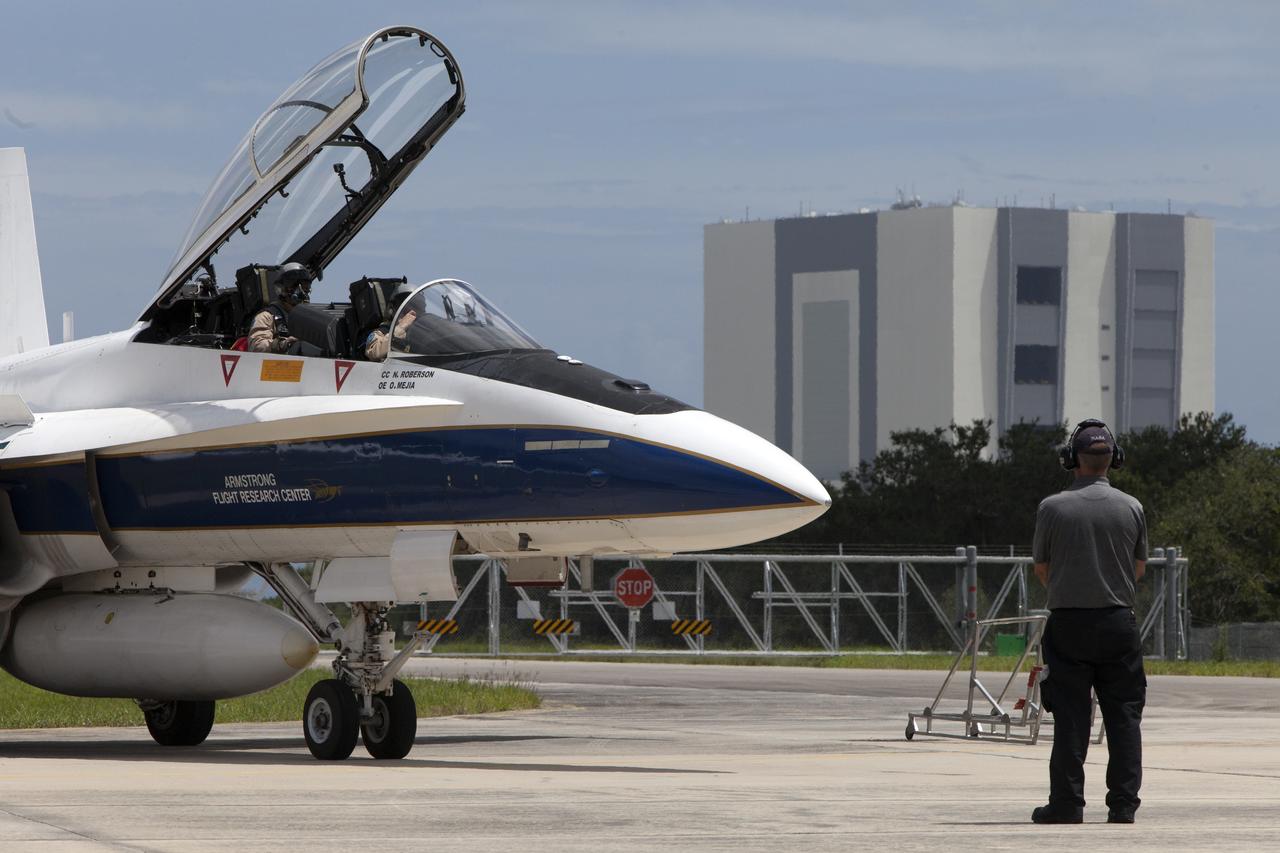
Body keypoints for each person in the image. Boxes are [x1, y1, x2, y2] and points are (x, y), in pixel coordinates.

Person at [1031, 419, 1147, 825]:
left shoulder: (1052, 507)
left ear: (1071, 460)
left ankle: (1066, 804)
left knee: (1071, 716)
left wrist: (1072, 588)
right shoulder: (1132, 506)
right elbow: (1138, 565)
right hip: (1118, 622)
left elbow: (1042, 567)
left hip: (1069, 623)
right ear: (1113, 460)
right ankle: (1123, 806)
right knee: (1124, 716)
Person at [247, 263, 311, 354]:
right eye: (301, 288)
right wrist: (284, 344)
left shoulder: (307, 319)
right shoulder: (267, 317)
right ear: (285, 288)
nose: (304, 294)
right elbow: (257, 346)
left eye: (306, 289)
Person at [363, 283, 418, 361]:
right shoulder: (382, 332)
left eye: (416, 305)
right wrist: (400, 328)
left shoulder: (422, 330)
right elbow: (373, 352)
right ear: (393, 309)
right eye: (404, 305)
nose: (411, 310)